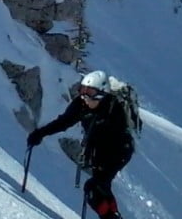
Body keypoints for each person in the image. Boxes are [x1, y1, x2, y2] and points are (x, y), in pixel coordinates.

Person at [27, 70, 136, 219]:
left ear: (102, 93)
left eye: (90, 92)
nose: (85, 96)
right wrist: (40, 133)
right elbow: (64, 122)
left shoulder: (113, 109)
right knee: (100, 188)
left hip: (118, 151)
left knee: (93, 188)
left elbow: (116, 140)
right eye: (82, 90)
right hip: (99, 151)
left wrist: (101, 163)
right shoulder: (81, 104)